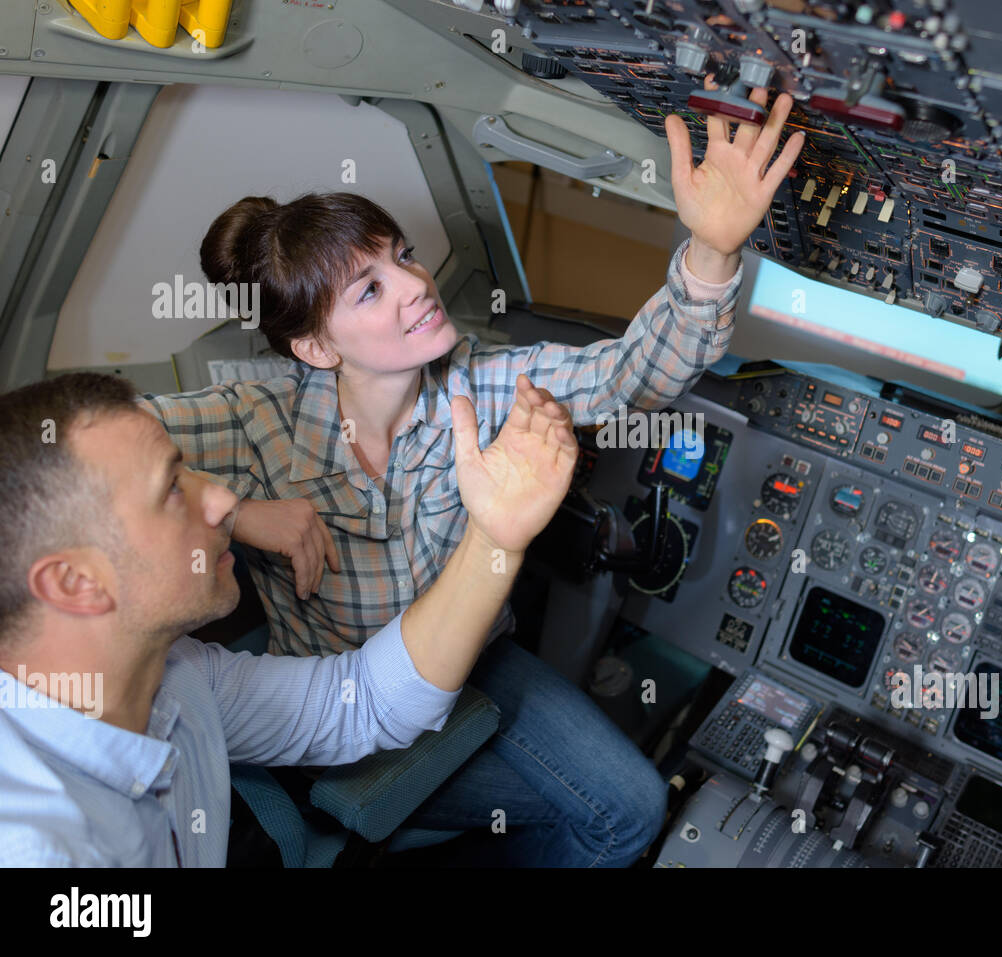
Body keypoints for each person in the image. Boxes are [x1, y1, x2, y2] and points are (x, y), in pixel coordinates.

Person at [138, 85, 806, 865]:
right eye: (371, 289)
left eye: (404, 257)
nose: (417, 284)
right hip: (341, 710)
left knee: (631, 806)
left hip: (479, 660)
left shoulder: (478, 384)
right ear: (317, 349)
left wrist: (712, 250)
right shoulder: (258, 417)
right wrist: (242, 510)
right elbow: (89, 449)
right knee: (613, 815)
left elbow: (630, 376)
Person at [0, 370, 577, 866]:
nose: (224, 500)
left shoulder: (179, 675)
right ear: (75, 584)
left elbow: (364, 703)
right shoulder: (33, 842)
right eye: (173, 487)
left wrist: (494, 537)